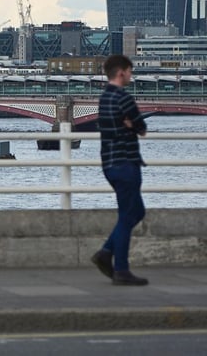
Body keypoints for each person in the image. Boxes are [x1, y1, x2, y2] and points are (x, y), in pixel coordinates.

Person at [91, 55, 149, 286]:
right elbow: (142, 128)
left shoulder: (104, 98)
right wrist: (132, 125)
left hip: (109, 163)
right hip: (126, 163)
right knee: (127, 216)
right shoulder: (124, 98)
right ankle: (121, 269)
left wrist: (129, 124)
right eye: (130, 71)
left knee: (137, 212)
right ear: (121, 72)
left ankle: (106, 252)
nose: (131, 76)